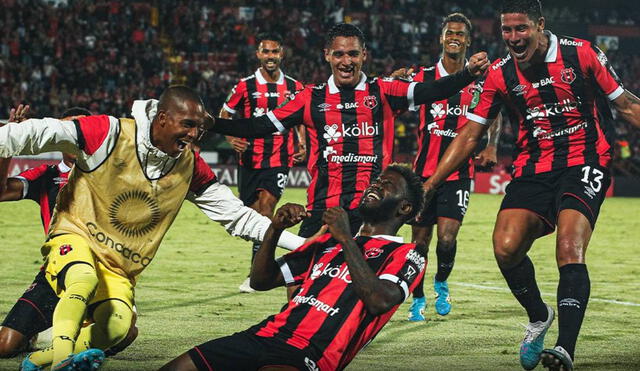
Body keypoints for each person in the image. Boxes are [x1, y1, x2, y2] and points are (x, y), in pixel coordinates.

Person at [0, 86, 306, 371]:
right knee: (82, 277)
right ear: (162, 118)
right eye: (187, 125)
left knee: (118, 327)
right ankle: (63, 360)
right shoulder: (110, 132)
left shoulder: (190, 166)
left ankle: (39, 358)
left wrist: (303, 245)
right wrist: (6, 136)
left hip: (118, 267)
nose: (195, 134)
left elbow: (239, 217)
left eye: (199, 127)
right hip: (74, 240)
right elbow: (40, 132)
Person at [421, 1, 640, 370]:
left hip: (585, 160)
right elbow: (470, 135)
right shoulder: (498, 74)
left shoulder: (582, 54)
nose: (513, 38)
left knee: (569, 246)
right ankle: (539, 316)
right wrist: (429, 186)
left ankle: (564, 349)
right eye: (506, 31)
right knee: (505, 248)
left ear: (540, 25)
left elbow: (629, 107)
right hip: (533, 168)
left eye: (521, 29)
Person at [210, 23, 489, 240]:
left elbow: (434, 89)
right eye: (339, 54)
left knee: (363, 293)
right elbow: (258, 126)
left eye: (353, 53)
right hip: (323, 208)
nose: (347, 61)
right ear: (327, 55)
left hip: (372, 212)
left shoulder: (384, 91)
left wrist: (467, 74)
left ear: (364, 55)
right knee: (299, 286)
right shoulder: (310, 98)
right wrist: (211, 123)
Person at [159, 164, 427, 370]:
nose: (376, 185)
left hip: (310, 355)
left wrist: (346, 238)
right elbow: (260, 280)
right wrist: (275, 229)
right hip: (264, 334)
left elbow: (379, 301)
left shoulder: (408, 254)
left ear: (404, 207)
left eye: (387, 185)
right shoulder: (326, 243)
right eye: (377, 180)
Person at [0, 106, 140, 360]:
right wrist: (8, 142)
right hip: (57, 271)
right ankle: (39, 335)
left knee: (125, 333)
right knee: (5, 346)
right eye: (69, 128)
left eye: (81, 129)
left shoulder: (112, 173)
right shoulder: (47, 175)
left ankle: (67, 333)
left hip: (103, 271)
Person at [393, 13, 502, 322]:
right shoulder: (422, 77)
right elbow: (392, 94)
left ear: (468, 40)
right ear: (441, 38)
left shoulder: (480, 81)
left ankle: (441, 281)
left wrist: (492, 144)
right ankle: (417, 297)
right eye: (449, 32)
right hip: (421, 174)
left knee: (447, 238)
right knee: (419, 242)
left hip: (459, 175)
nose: (454, 37)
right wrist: (395, 79)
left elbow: (494, 115)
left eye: (460, 33)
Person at [219, 32, 306, 293]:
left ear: (282, 54)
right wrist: (231, 137)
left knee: (267, 210)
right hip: (249, 159)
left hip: (279, 158)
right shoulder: (245, 86)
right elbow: (225, 114)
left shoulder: (294, 87)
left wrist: (301, 142)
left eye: (275, 52)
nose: (270, 57)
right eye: (266, 52)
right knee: (254, 214)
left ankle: (256, 276)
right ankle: (260, 265)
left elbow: (301, 117)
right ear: (258, 54)